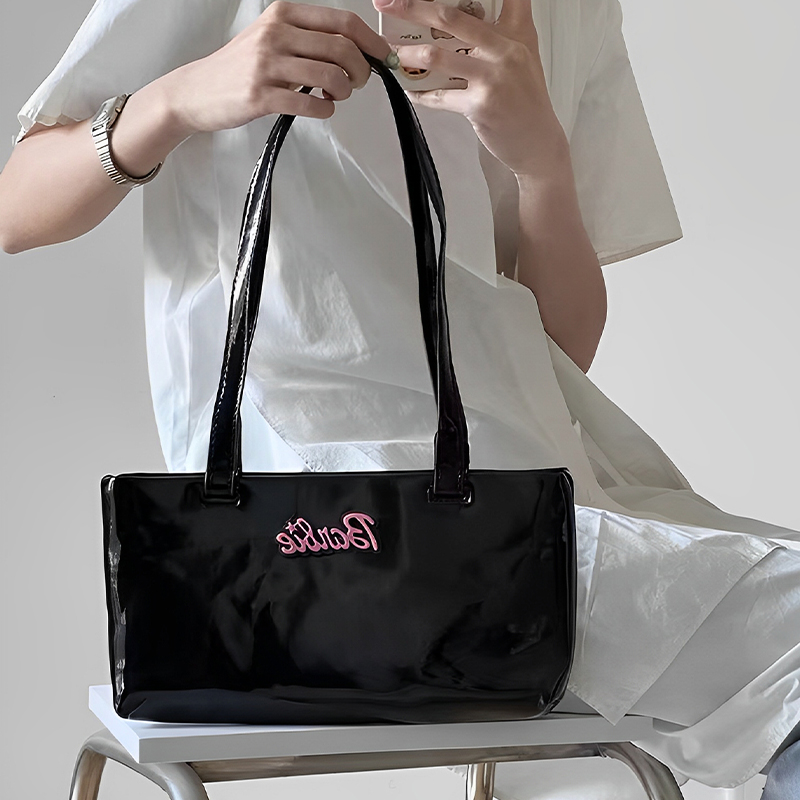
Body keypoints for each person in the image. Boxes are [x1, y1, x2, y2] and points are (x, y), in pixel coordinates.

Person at [1, 0, 798, 797]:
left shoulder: (573, 10)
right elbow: (16, 207)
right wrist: (178, 99)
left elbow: (563, 349)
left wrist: (543, 164)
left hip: (536, 489)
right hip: (314, 503)